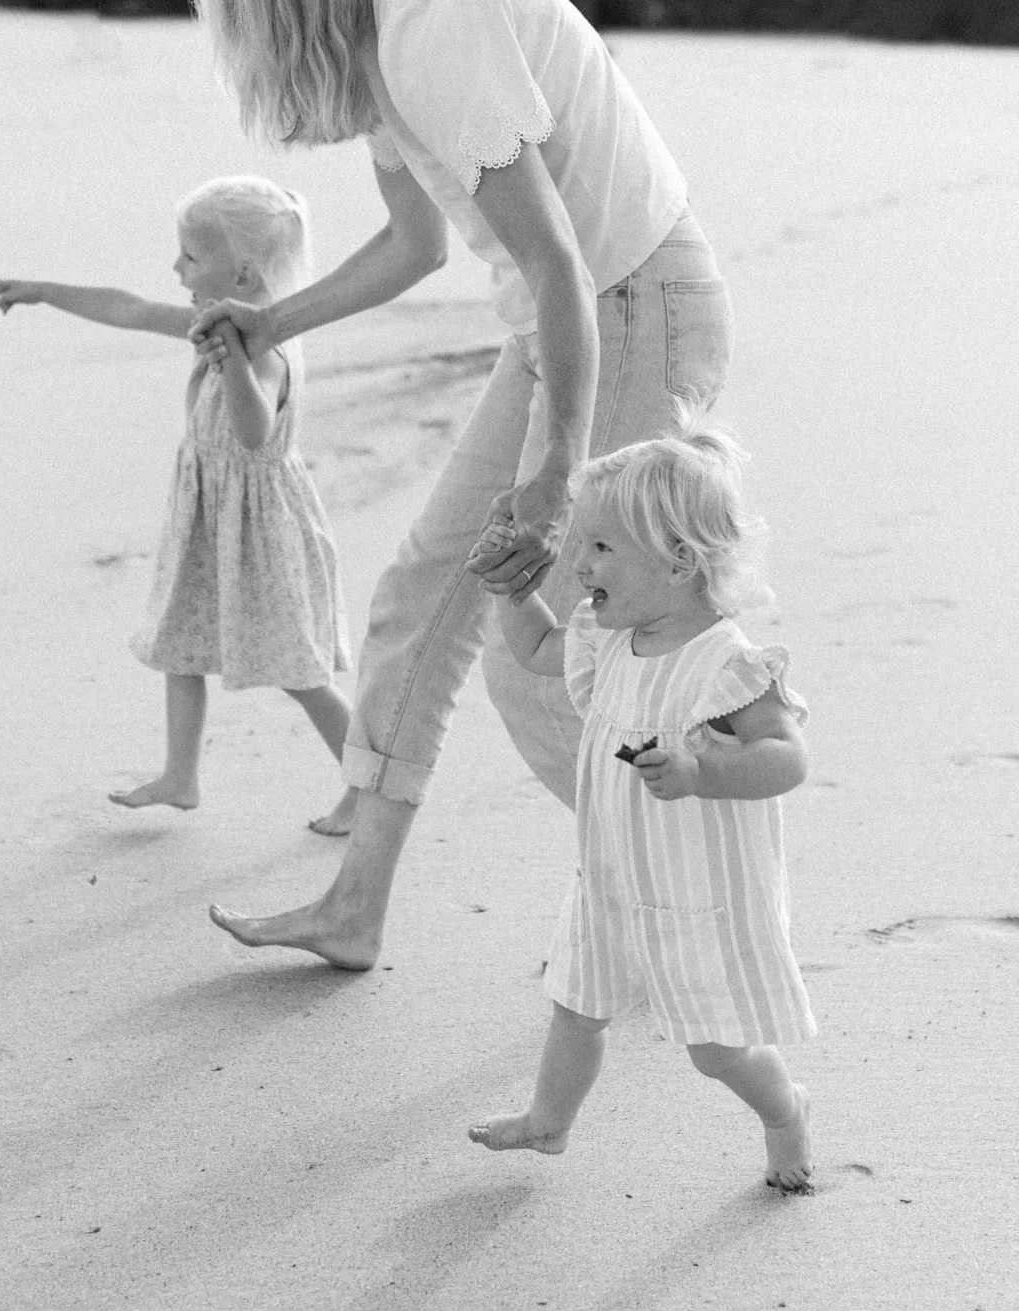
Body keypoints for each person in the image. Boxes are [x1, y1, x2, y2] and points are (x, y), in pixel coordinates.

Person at [192, 0, 734, 970]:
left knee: (532, 660)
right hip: (566, 322)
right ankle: (353, 910)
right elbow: (416, 245)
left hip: (629, 312)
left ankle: (684, 895)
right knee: (419, 598)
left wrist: (553, 478)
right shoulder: (382, 42)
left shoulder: (430, 24)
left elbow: (559, 260)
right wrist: (274, 323)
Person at [463, 430, 817, 1192]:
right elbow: (535, 653)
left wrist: (700, 772)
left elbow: (787, 756)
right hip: (612, 874)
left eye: (599, 547)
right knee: (575, 1004)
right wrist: (511, 594)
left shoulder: (725, 660)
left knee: (714, 1048)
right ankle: (548, 1121)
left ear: (679, 560)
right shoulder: (609, 637)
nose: (580, 564)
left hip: (696, 891)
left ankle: (785, 1110)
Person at [0, 175, 358, 835]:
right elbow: (130, 308)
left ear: (239, 274)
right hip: (211, 521)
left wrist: (233, 359)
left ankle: (369, 787)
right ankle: (180, 775)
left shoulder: (264, 345)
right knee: (180, 642)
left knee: (297, 668)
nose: (175, 268)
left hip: (262, 531)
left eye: (189, 257)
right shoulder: (216, 321)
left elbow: (255, 430)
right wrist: (43, 291)